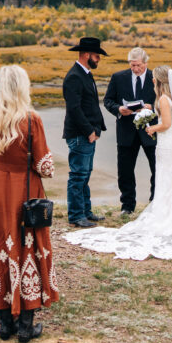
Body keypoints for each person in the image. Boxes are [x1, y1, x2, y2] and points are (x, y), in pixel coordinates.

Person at [65, 66, 172, 262]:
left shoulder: (164, 100)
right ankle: (166, 207)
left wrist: (151, 128)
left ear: (159, 80)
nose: (151, 81)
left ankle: (169, 213)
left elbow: (166, 124)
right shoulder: (168, 99)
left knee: (167, 177)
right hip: (168, 144)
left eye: (153, 79)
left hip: (166, 145)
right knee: (168, 178)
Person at [0, 65, 58, 343]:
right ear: (22, 87)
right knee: (27, 249)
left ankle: (5, 323)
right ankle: (26, 325)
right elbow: (45, 166)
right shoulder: (32, 120)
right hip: (25, 192)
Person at [103, 46, 157, 216]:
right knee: (125, 171)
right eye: (132, 65)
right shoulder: (118, 77)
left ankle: (155, 202)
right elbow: (108, 101)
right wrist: (119, 109)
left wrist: (151, 107)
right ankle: (127, 206)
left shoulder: (155, 78)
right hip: (126, 131)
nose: (135, 69)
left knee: (157, 168)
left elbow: (165, 100)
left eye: (138, 65)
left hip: (151, 131)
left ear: (146, 63)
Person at [62, 37, 108, 228]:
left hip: (88, 134)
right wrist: (89, 130)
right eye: (97, 56)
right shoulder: (74, 76)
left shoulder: (85, 74)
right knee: (78, 175)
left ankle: (85, 212)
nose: (99, 59)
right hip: (80, 135)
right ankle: (76, 215)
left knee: (85, 174)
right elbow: (74, 109)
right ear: (87, 55)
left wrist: (96, 129)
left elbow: (90, 106)